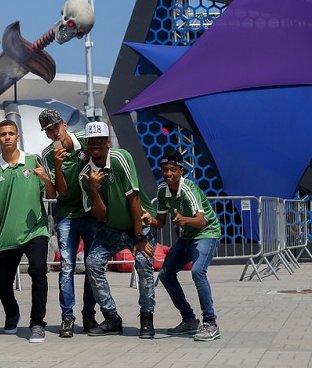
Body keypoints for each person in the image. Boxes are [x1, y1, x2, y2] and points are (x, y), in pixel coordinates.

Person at [0, 119, 54, 343]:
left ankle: (37, 323)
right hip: (9, 235)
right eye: (3, 134)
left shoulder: (33, 160)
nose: (7, 137)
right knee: (2, 282)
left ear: (17, 137)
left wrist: (46, 179)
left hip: (36, 231)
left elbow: (52, 194)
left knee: (38, 271)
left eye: (11, 133)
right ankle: (12, 314)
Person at [79, 121, 157, 338]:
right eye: (91, 141)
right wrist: (94, 190)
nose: (95, 145)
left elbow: (134, 198)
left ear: (108, 142)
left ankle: (146, 318)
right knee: (92, 263)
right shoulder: (85, 175)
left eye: (100, 140)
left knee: (143, 262)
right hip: (112, 228)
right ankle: (111, 317)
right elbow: (101, 216)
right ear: (87, 145)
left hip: (139, 225)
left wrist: (140, 236)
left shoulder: (121, 158)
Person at [143, 148, 222, 341]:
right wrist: (150, 220)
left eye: (173, 170)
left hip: (207, 233)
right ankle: (189, 319)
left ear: (181, 171)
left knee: (197, 272)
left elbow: (201, 221)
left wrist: (184, 220)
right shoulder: (162, 190)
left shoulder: (189, 189)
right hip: (187, 237)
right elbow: (161, 222)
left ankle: (211, 323)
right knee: (165, 274)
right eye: (165, 169)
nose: (168, 174)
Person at [38, 108, 98, 337]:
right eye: (49, 130)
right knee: (66, 267)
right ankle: (67, 317)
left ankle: (89, 315)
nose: (54, 133)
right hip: (66, 215)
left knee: (92, 266)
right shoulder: (47, 155)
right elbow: (59, 193)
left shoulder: (85, 140)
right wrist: (58, 165)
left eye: (56, 127)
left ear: (64, 124)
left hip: (91, 212)